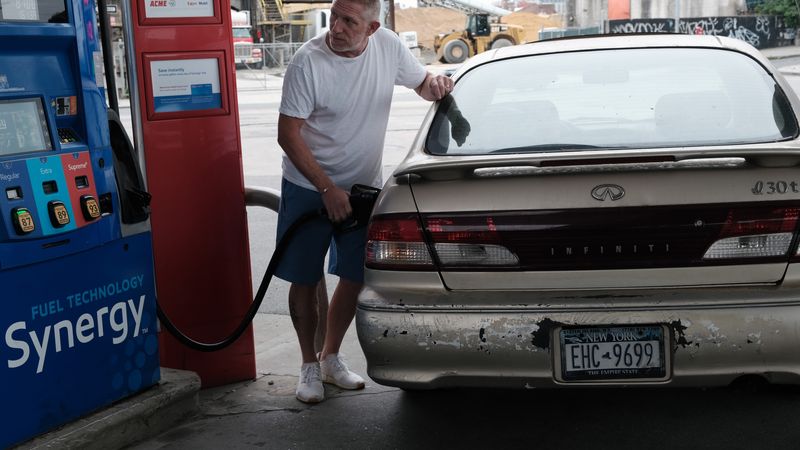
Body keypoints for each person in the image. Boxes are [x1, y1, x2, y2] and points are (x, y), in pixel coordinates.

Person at [275, 0, 454, 403]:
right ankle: (307, 365)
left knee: (355, 274)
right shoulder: (309, 62)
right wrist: (325, 188)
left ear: (372, 29)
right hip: (308, 186)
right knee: (304, 277)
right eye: (335, 16)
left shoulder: (388, 47)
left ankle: (330, 358)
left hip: (362, 189)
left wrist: (437, 85)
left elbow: (422, 82)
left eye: (348, 22)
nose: (335, 27)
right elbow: (288, 134)